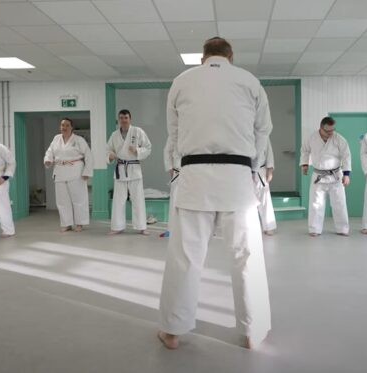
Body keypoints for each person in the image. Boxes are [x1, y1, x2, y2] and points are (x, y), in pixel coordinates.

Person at [158, 37, 273, 350]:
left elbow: (174, 134)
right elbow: (263, 131)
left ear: (202, 57)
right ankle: (252, 331)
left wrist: (179, 165)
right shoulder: (249, 81)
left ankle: (172, 331)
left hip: (194, 178)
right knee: (246, 257)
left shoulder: (181, 82)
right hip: (237, 178)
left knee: (185, 257)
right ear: (230, 56)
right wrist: (254, 166)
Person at [300, 116, 351, 237]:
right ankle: (314, 229)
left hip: (336, 176)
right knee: (316, 203)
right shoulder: (312, 138)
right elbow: (305, 151)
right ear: (321, 128)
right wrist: (305, 164)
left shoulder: (339, 139)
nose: (330, 133)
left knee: (339, 203)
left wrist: (347, 174)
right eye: (327, 131)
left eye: (332, 130)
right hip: (319, 175)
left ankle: (343, 229)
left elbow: (346, 156)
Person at [106, 109, 152, 235]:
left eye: (126, 117)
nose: (123, 120)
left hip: (134, 169)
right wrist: (110, 156)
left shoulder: (137, 131)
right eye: (121, 118)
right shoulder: (114, 135)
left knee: (138, 199)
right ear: (118, 120)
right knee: (118, 200)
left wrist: (137, 150)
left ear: (130, 119)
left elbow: (148, 147)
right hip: (121, 169)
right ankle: (117, 226)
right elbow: (108, 149)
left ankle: (142, 226)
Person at [44, 118, 93, 232]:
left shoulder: (79, 140)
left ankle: (80, 223)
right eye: (62, 125)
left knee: (79, 198)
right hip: (60, 170)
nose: (64, 127)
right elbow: (49, 152)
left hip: (76, 171)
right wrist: (48, 160)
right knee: (62, 200)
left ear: (72, 127)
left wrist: (87, 172)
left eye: (67, 125)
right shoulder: (56, 139)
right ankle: (67, 223)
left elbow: (88, 156)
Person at [256, 141, 277, 235]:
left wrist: (270, 170)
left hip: (260, 171)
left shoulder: (264, 135)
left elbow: (269, 154)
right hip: (244, 171)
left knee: (265, 200)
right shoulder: (241, 132)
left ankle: (269, 226)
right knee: (245, 202)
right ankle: (248, 227)